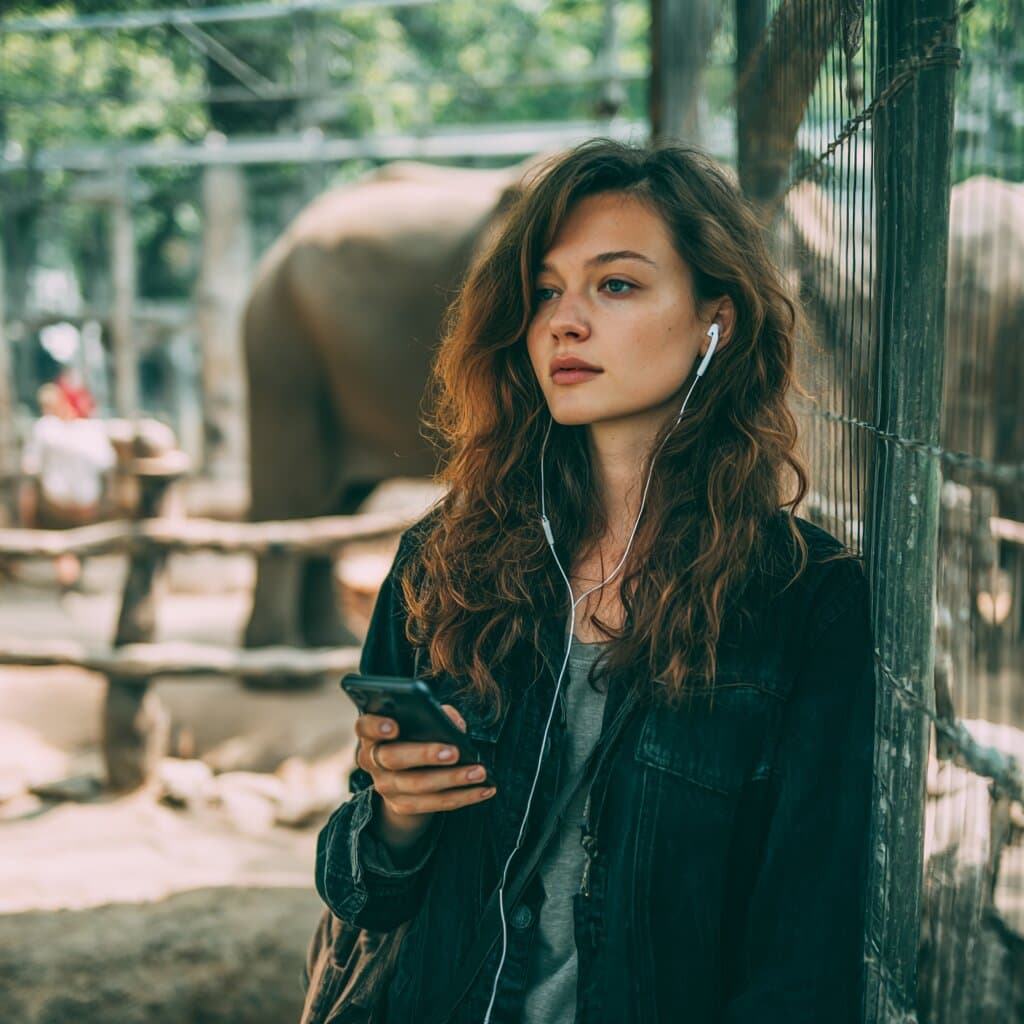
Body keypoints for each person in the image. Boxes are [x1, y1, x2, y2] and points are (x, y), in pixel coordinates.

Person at [314, 139, 876, 1023]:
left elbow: (802, 957)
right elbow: (360, 897)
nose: (563, 323)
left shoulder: (808, 598)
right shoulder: (441, 560)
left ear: (714, 320)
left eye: (616, 284)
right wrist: (395, 815)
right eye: (546, 291)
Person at [20, 382, 116, 587]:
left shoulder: (46, 428)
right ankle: (71, 565)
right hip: (87, 507)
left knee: (28, 494)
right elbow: (107, 465)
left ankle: (63, 562)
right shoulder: (94, 430)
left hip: (56, 507)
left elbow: (30, 467)